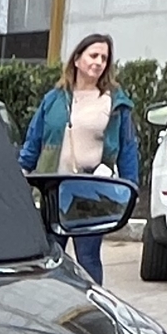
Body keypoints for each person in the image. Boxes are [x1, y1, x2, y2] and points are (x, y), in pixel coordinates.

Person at [17, 33, 141, 283]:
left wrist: (130, 187)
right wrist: (19, 171)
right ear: (77, 59)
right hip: (54, 190)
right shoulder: (54, 100)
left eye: (104, 58)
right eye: (93, 55)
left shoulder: (115, 103)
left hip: (91, 193)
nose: (98, 62)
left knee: (88, 259)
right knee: (51, 258)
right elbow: (34, 141)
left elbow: (127, 148)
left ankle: (94, 311)